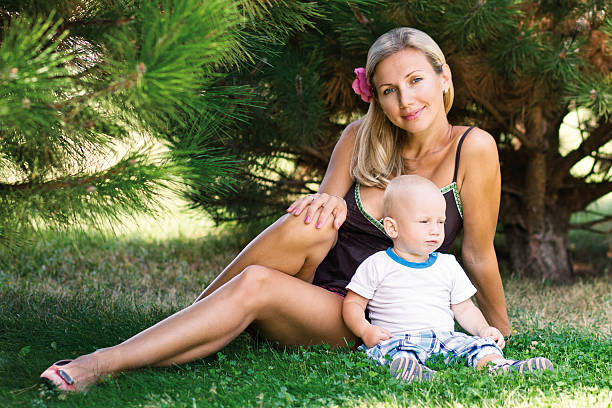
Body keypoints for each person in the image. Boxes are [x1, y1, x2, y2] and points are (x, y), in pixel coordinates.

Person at [40, 27, 510, 391]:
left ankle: (108, 360)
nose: (406, 100)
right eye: (388, 90)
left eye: (415, 81)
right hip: (314, 292)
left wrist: (499, 330)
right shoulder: (358, 138)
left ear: (443, 76)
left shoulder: (473, 148)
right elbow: (322, 215)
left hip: (367, 319)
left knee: (259, 282)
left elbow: (478, 252)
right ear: (376, 96)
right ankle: (189, 321)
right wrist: (322, 201)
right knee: (314, 221)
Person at [342, 175, 552, 382]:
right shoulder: (377, 264)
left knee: (478, 345)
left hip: (443, 339)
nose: (435, 230)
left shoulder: (447, 264)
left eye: (440, 221)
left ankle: (499, 366)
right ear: (392, 227)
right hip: (398, 339)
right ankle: (412, 371)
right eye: (424, 221)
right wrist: (365, 329)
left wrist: (482, 329)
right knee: (394, 353)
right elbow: (353, 303)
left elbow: (465, 308)